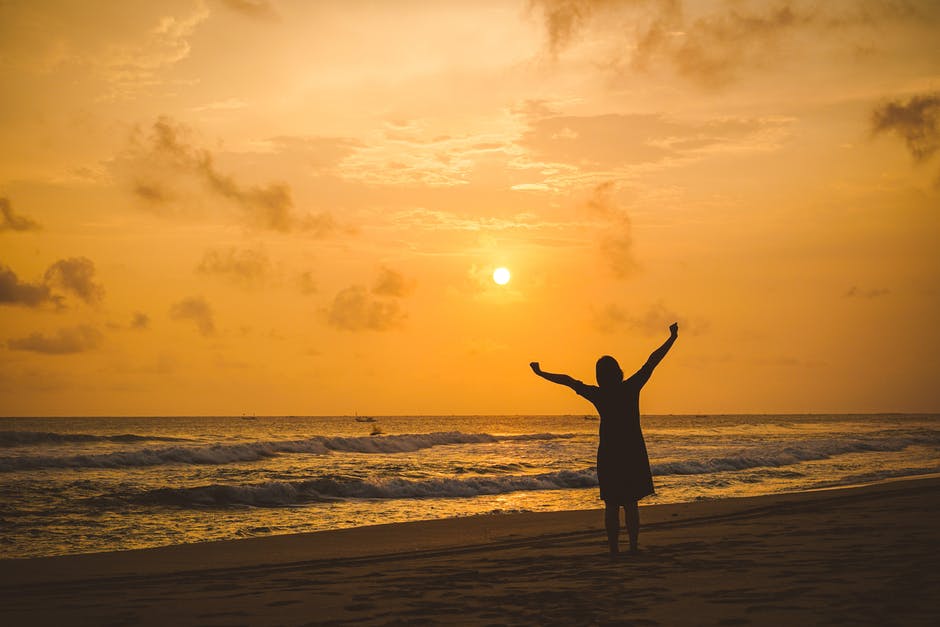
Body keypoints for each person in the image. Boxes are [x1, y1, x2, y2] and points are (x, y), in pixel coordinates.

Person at [530, 322, 678, 556]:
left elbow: (568, 381)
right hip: (631, 451)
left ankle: (613, 550)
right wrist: (672, 338)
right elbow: (652, 361)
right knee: (630, 503)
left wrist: (541, 373)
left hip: (609, 453)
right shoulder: (630, 387)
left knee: (611, 504)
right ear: (618, 372)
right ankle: (633, 546)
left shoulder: (599, 394)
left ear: (600, 377)